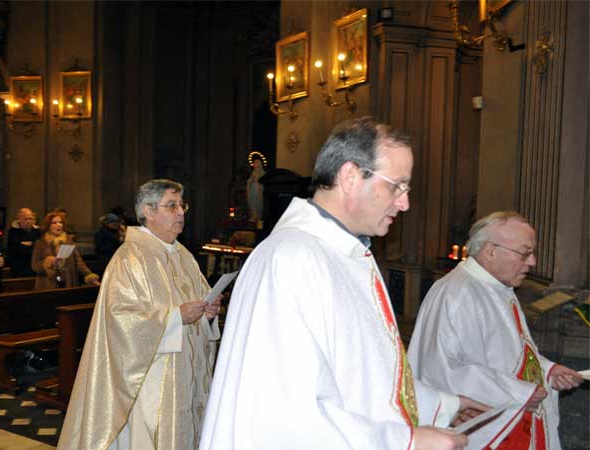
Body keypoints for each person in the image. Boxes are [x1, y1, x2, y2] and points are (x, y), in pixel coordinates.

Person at [200, 117, 486, 450]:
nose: (404, 203)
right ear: (350, 177)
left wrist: (445, 405)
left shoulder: (345, 254)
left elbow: (364, 375)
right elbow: (278, 414)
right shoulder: (291, 260)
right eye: (397, 186)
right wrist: (405, 441)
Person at [58, 179, 222, 450]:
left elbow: (199, 301)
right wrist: (175, 318)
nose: (181, 212)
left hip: (186, 372)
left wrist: (209, 313)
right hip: (153, 380)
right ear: (148, 211)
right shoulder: (129, 258)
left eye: (182, 205)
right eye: (172, 205)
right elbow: (121, 319)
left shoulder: (183, 255)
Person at [407, 211, 583, 449]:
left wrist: (548, 370)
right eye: (524, 253)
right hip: (491, 434)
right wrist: (519, 393)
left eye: (533, 253)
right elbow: (442, 370)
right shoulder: (457, 293)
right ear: (490, 251)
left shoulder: (496, 288)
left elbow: (509, 354)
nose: (532, 262)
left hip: (518, 426)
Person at [31, 212, 99, 289]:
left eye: (60, 222)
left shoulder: (68, 241)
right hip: (48, 283)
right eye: (54, 223)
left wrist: (89, 275)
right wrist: (47, 263)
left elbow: (78, 262)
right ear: (48, 226)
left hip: (67, 282)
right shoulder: (41, 243)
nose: (59, 225)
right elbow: (35, 265)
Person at [7, 207, 41, 276]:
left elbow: (39, 248)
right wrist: (32, 245)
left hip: (35, 267)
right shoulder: (13, 232)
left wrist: (23, 244)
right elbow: (16, 249)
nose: (28, 221)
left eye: (30, 219)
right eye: (25, 219)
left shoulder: (37, 231)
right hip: (19, 268)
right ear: (19, 219)